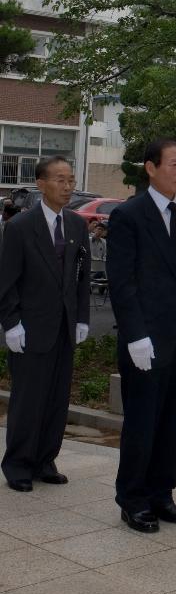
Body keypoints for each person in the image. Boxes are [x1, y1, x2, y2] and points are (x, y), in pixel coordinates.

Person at [107, 138, 176, 532]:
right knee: (142, 421)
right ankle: (133, 499)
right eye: (173, 164)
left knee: (172, 422)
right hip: (145, 341)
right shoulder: (129, 215)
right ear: (150, 168)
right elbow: (122, 282)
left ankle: (162, 494)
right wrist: (135, 334)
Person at [0, 156, 90, 491]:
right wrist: (11, 323)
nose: (67, 187)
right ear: (41, 183)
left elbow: (80, 278)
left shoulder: (77, 225)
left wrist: (82, 317)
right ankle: (19, 465)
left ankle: (45, 459)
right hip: (30, 328)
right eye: (59, 180)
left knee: (56, 399)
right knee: (27, 401)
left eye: (70, 180)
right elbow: (6, 280)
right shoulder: (20, 227)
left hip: (64, 327)